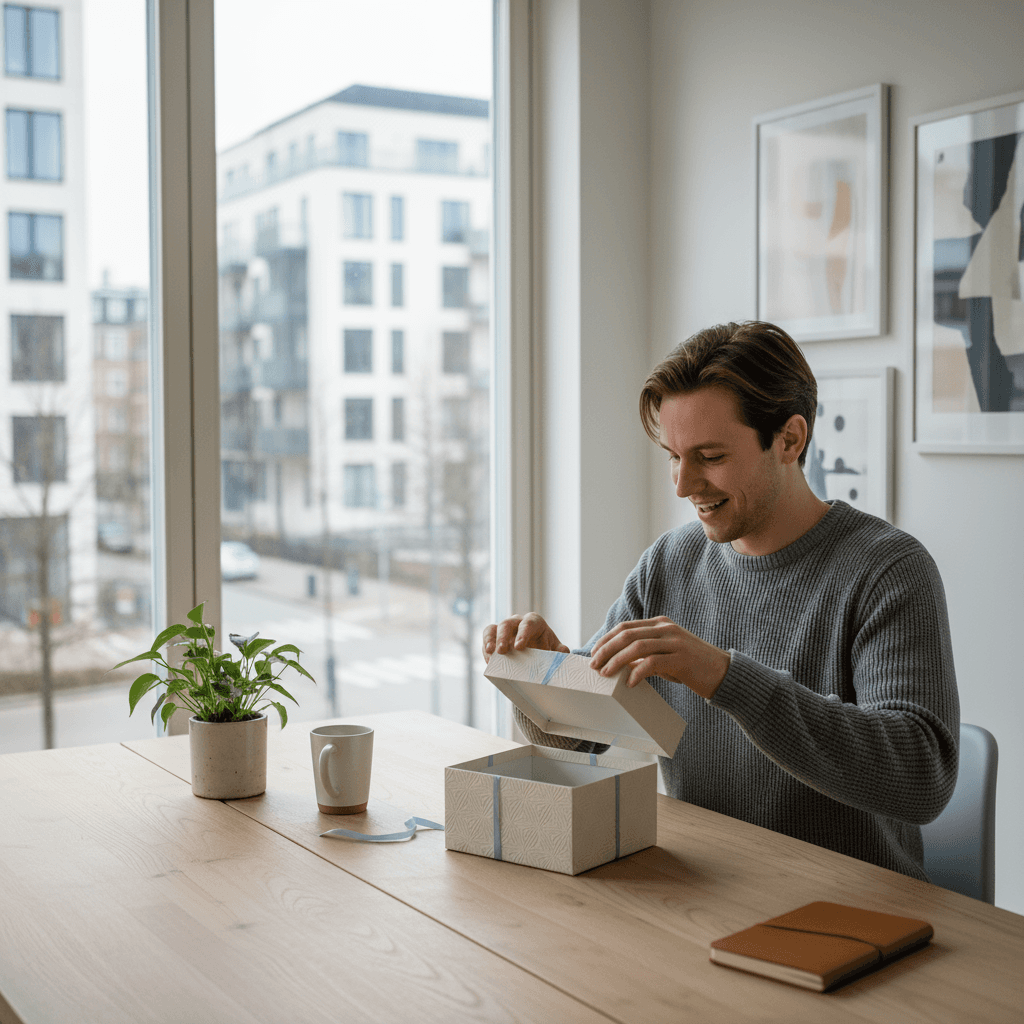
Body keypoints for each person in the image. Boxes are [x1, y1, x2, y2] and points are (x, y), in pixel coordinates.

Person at [482, 321, 959, 881]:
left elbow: (921, 777)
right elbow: (582, 739)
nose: (684, 485)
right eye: (673, 455)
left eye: (709, 456)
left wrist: (722, 675)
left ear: (790, 439)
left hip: (848, 905)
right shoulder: (670, 562)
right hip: (704, 885)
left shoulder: (889, 571)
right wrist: (544, 674)